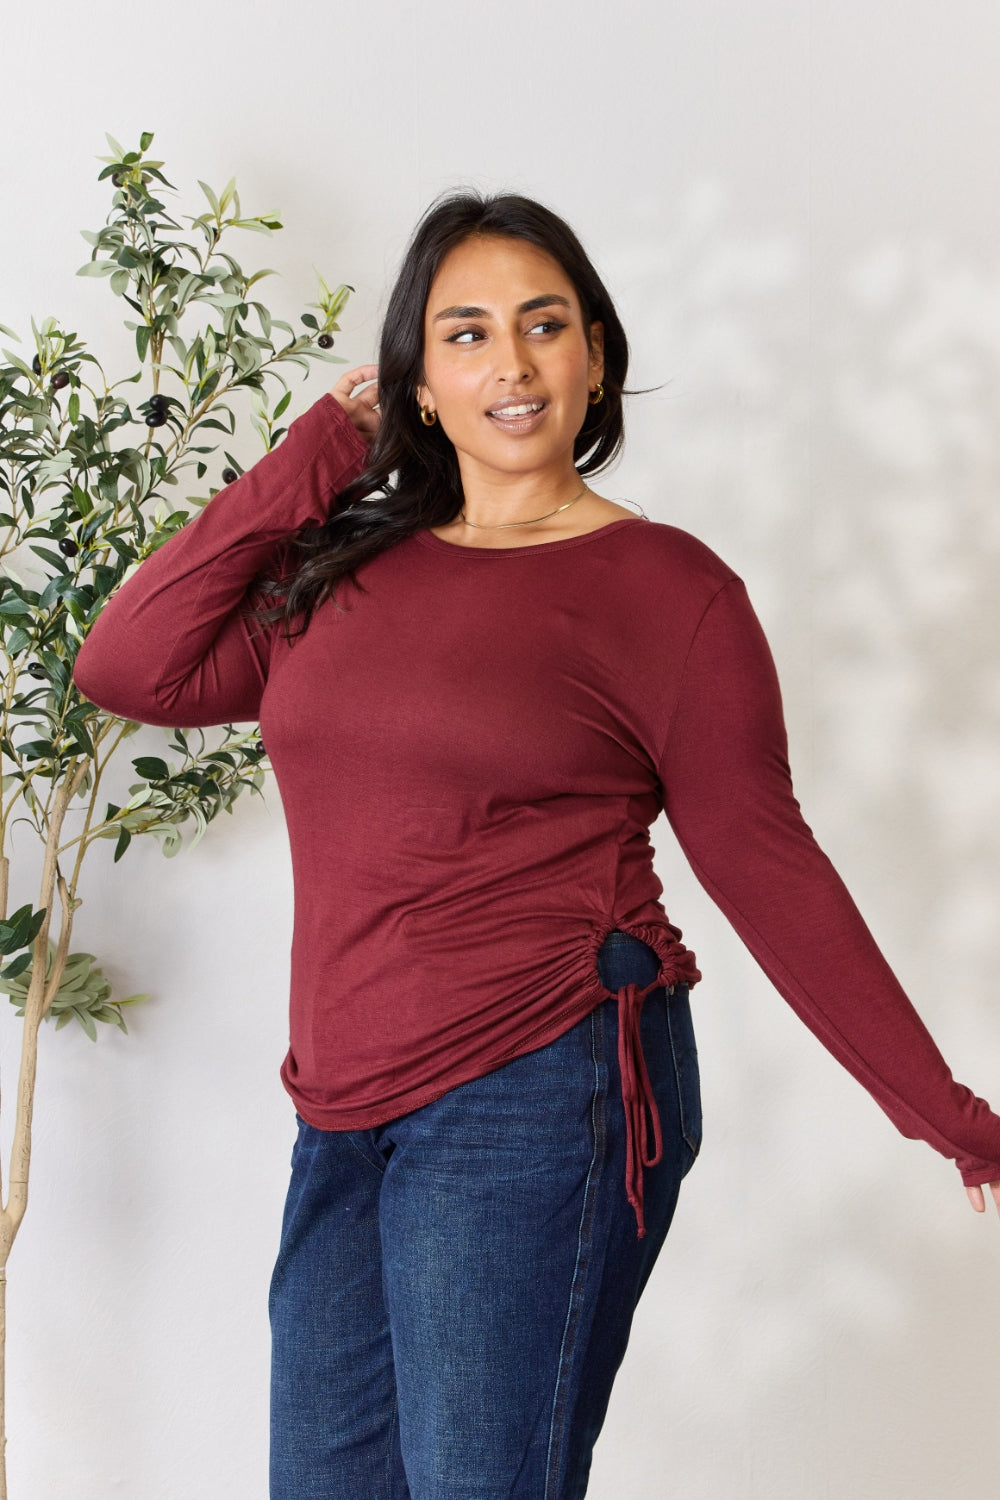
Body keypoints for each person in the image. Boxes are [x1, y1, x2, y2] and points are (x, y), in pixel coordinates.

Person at [72, 190, 1000, 1500]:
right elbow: (126, 661)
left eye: (543, 325)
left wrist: (943, 1112)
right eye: (465, 334)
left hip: (544, 1075)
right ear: (416, 382)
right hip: (343, 1101)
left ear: (596, 355)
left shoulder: (668, 593)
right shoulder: (337, 572)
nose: (509, 363)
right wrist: (316, 456)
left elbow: (761, 855)